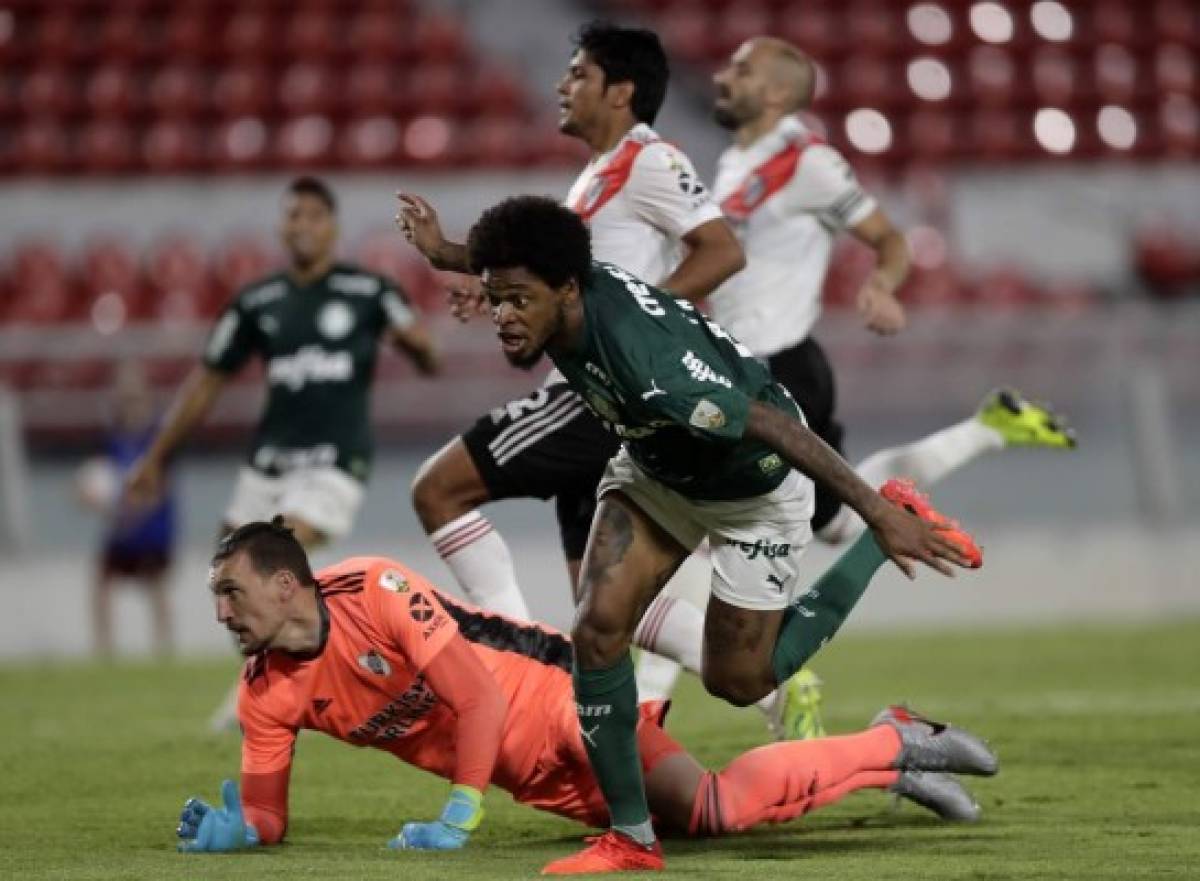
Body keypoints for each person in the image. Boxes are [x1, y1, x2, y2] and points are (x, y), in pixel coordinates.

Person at [466, 195, 986, 873]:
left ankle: (890, 527)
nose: (502, 317)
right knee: (596, 631)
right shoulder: (568, 276)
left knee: (739, 681)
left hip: (754, 492)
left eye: (515, 300)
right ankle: (632, 837)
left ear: (566, 288)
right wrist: (448, 250)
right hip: (656, 471)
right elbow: (509, 266)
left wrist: (871, 511)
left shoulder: (651, 371)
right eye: (493, 298)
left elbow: (772, 426)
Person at [634, 36, 1079, 734]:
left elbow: (891, 238)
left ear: (778, 93)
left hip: (779, 373)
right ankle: (984, 429)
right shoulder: (735, 163)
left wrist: (882, 284)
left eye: (742, 69)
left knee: (691, 529)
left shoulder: (806, 161)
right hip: (741, 366)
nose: (723, 75)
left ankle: (656, 714)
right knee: (836, 521)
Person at [174, 519, 997, 857]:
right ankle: (892, 749)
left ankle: (893, 741)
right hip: (531, 777)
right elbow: (270, 815)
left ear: (287, 585)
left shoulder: (374, 589)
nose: (220, 612)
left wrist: (460, 808)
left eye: (231, 593)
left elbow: (478, 698)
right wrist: (240, 829)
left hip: (565, 702)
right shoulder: (264, 693)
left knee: (714, 808)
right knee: (703, 827)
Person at [396, 23, 744, 682]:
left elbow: (723, 249)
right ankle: (770, 682)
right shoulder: (595, 180)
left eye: (579, 74)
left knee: (438, 489)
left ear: (622, 92)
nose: (562, 84)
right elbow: (562, 276)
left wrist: (635, 329)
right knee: (610, 605)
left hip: (599, 393)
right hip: (607, 393)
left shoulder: (651, 160)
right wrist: (479, 277)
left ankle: (519, 666)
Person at [127, 176, 439, 728]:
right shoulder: (257, 301)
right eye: (293, 216)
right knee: (228, 575)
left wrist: (417, 347)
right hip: (268, 463)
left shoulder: (369, 291)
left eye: (314, 216)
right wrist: (155, 457)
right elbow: (206, 382)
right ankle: (272, 686)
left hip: (335, 461)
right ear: (281, 225)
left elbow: (428, 354)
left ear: (333, 227)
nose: (303, 226)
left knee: (275, 551)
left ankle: (324, 681)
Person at [76, 361, 176, 656]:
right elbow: (90, 481)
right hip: (121, 528)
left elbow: (161, 487)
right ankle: (104, 651)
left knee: (155, 586)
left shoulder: (158, 435)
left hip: (152, 528)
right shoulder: (109, 437)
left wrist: (135, 507)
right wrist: (86, 497)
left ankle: (164, 651)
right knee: (102, 586)